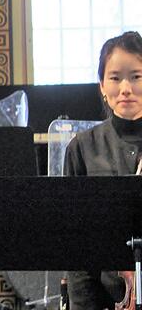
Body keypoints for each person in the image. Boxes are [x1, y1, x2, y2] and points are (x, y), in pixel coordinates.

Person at [64, 31, 142, 309]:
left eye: (136, 76)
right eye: (115, 77)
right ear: (101, 86)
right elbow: (76, 246)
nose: (125, 88)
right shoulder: (81, 148)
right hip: (105, 299)